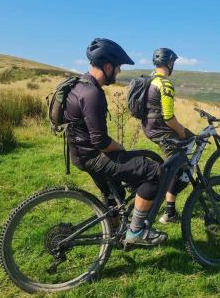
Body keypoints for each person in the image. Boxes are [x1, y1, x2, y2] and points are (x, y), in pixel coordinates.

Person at [64, 38, 167, 245]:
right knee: (155, 171)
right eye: (118, 67)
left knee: (115, 192)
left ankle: (112, 230)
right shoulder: (92, 93)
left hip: (79, 153)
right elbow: (101, 141)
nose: (119, 72)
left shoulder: (79, 84)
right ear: (108, 66)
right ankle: (136, 232)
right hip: (93, 155)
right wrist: (119, 148)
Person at [141, 48, 194, 224]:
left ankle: (169, 206)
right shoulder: (165, 84)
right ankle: (169, 212)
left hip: (149, 128)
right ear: (170, 63)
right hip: (161, 130)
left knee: (175, 161)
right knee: (179, 166)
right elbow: (169, 118)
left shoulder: (150, 80)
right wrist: (181, 131)